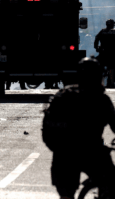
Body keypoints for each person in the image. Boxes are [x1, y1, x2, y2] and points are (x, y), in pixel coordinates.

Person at [42, 57, 115, 199]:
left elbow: (47, 132)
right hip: (92, 153)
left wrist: (59, 150)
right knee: (110, 181)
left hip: (64, 156)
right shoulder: (101, 100)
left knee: (66, 195)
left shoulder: (63, 96)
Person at [95, 19, 115, 88]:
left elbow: (96, 39)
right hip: (112, 54)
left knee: (97, 66)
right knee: (112, 68)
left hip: (103, 53)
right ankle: (112, 83)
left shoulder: (102, 31)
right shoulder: (114, 32)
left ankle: (98, 82)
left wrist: (97, 48)